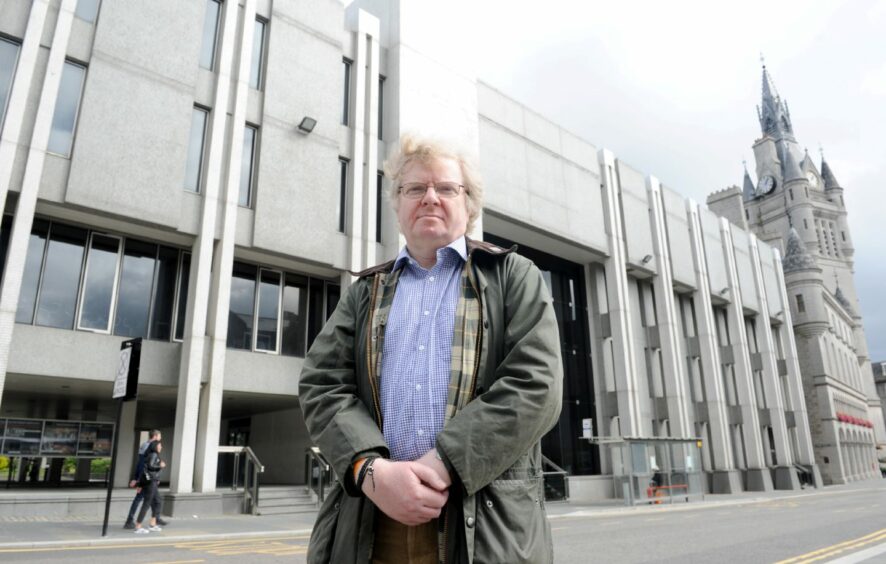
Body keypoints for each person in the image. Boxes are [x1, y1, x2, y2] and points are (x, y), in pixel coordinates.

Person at [299, 134, 563, 563]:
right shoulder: (365, 291)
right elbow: (321, 384)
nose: (430, 198)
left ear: (469, 204)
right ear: (398, 205)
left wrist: (446, 463)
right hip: (371, 521)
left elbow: (536, 387)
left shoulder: (514, 276)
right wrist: (370, 471)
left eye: (446, 188)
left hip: (482, 525)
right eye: (414, 188)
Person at [124, 430, 168, 529]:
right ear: (156, 436)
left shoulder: (150, 446)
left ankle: (155, 519)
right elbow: (142, 464)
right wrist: (138, 480)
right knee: (142, 500)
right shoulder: (148, 446)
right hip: (146, 479)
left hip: (149, 479)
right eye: (160, 435)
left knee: (154, 499)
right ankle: (130, 521)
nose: (161, 437)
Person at [133, 439, 166, 534]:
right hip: (151, 483)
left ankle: (152, 524)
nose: (161, 447)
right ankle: (138, 527)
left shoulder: (151, 455)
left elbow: (145, 471)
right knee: (147, 504)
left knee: (158, 501)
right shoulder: (154, 455)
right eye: (160, 445)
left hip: (151, 482)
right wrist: (160, 466)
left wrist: (140, 485)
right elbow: (151, 466)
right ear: (155, 446)